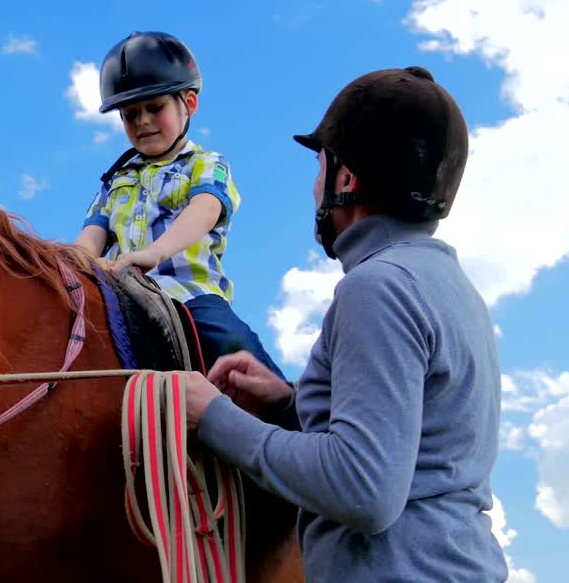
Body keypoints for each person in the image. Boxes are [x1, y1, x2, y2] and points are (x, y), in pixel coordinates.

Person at [181, 66, 507, 582]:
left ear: (346, 178)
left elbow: (363, 490)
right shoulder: (446, 284)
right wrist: (290, 402)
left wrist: (214, 417)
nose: (314, 186)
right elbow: (412, 444)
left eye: (320, 166)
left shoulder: (378, 286)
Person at [74, 31, 283, 376]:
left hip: (188, 295)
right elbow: (92, 235)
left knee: (232, 343)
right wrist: (70, 262)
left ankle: (287, 414)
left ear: (189, 103)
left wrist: (154, 253)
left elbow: (204, 210)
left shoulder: (205, 164)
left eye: (155, 108)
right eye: (130, 115)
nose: (142, 121)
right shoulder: (115, 180)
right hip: (118, 296)